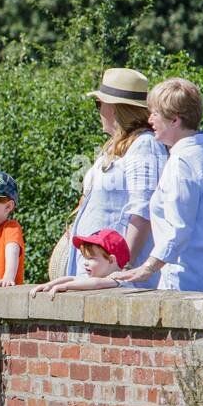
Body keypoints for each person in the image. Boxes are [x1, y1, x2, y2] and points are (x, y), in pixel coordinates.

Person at [110, 78, 203, 293]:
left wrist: (147, 267)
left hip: (188, 284)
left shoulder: (181, 162)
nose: (150, 119)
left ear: (175, 120)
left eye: (156, 114)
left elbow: (178, 229)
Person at [67, 68, 168, 286]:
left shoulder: (144, 145)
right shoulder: (117, 145)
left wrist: (121, 269)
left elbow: (143, 212)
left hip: (115, 275)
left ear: (113, 109)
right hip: (98, 268)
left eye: (98, 104)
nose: (98, 111)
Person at [31, 228, 135, 295]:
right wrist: (49, 285)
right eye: (85, 257)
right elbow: (72, 277)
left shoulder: (119, 280)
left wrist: (66, 286)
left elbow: (96, 284)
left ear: (111, 260)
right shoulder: (98, 277)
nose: (85, 262)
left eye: (91, 258)